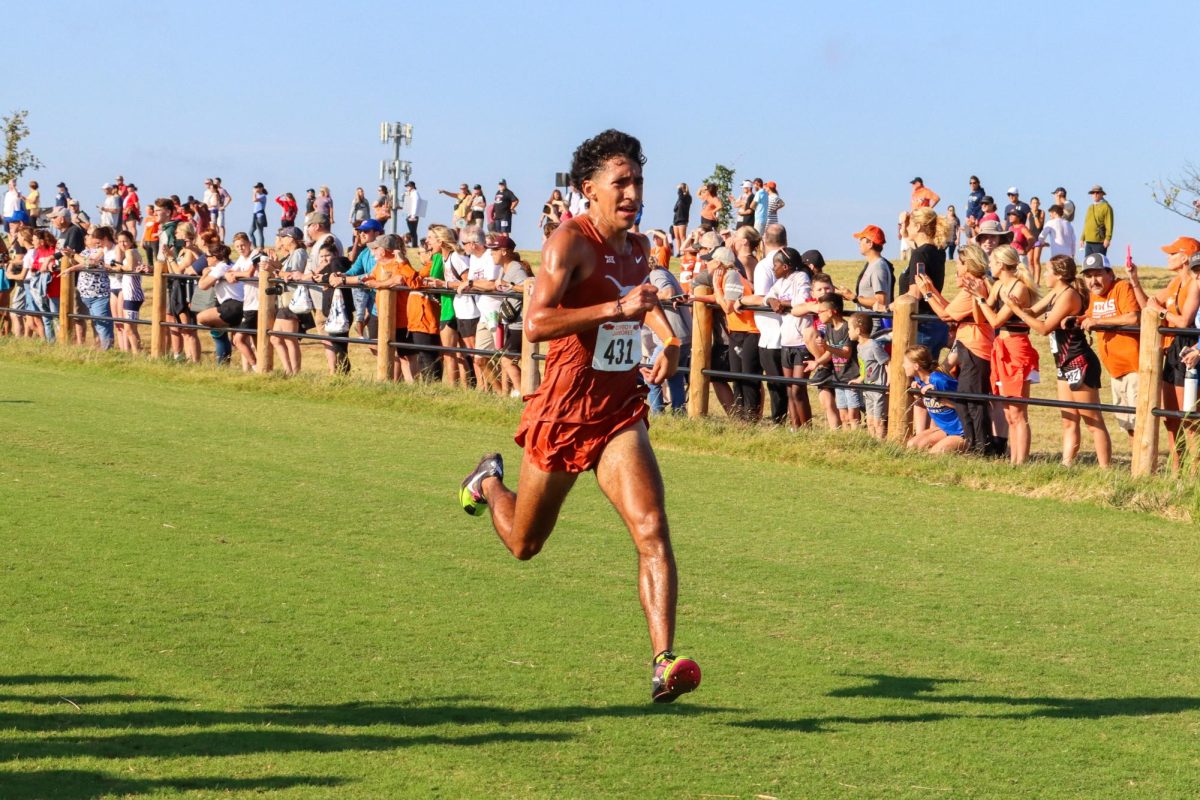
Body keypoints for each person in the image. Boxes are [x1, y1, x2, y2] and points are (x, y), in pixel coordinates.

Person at [457, 129, 700, 704]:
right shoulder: (570, 243)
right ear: (588, 189)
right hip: (564, 411)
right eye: (621, 182)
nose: (632, 192)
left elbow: (645, 302)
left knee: (652, 530)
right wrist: (616, 308)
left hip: (618, 411)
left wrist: (669, 342)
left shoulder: (640, 248)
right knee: (525, 544)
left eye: (638, 181)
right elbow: (536, 324)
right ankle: (488, 482)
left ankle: (664, 662)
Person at [1006, 255, 1111, 467]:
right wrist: (1018, 306)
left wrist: (1017, 311)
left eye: (1047, 271)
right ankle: (1066, 465)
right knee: (1068, 420)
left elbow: (1044, 328)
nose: (1044, 275)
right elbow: (1032, 312)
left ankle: (1106, 469)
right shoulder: (1056, 292)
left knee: (1092, 420)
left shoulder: (1069, 295)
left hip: (1079, 360)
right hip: (1063, 363)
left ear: (1060, 275)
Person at [915, 244, 995, 454]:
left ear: (968, 265)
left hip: (976, 348)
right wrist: (931, 290)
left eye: (959, 263)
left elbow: (945, 316)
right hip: (970, 347)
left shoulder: (974, 287)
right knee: (966, 399)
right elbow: (951, 310)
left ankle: (979, 448)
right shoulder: (973, 286)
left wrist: (927, 294)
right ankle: (974, 444)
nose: (956, 268)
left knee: (972, 401)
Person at [967, 244, 1039, 465]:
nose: (989, 265)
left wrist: (980, 299)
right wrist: (975, 295)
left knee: (1018, 413)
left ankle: (1021, 462)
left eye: (992, 261)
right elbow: (982, 318)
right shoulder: (998, 285)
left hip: (1016, 348)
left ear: (1000, 263)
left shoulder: (1018, 289)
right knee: (1008, 412)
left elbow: (996, 320)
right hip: (1001, 347)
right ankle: (1013, 461)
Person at [1141, 237, 1200, 471]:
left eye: (1172, 253)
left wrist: (1162, 312)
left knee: (1189, 417)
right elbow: (1149, 305)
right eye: (1197, 271)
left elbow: (1185, 322)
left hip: (1189, 346)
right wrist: (1135, 280)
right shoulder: (1176, 282)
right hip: (1178, 348)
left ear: (1184, 256)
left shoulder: (1193, 286)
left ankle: (1193, 474)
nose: (1167, 256)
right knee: (1171, 416)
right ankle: (1177, 471)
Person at [1079, 251, 1143, 442]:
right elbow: (1090, 317)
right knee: (1128, 425)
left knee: (1140, 423)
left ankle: (1146, 469)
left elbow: (1134, 317)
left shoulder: (1121, 287)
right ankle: (1137, 469)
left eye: (1098, 274)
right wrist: (1076, 319)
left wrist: (1098, 321)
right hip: (1115, 371)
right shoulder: (1094, 296)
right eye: (1088, 276)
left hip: (1135, 369)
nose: (1093, 281)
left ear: (1110, 273)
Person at [766, 247, 815, 429]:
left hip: (801, 341)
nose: (773, 269)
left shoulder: (801, 278)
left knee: (798, 390)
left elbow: (803, 300)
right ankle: (795, 428)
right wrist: (772, 301)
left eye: (776, 265)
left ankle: (807, 430)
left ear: (786, 266)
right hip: (786, 341)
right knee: (789, 389)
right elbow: (770, 295)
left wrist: (782, 303)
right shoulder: (781, 281)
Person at [644, 240, 691, 414]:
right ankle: (679, 413)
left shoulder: (655, 274)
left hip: (671, 335)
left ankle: (657, 413)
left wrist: (648, 297)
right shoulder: (660, 272)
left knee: (652, 374)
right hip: (681, 334)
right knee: (675, 376)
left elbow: (669, 292)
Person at [423, 224, 468, 386]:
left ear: (441, 242)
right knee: (459, 353)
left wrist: (443, 284)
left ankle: (454, 388)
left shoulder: (455, 257)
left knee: (451, 352)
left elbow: (468, 281)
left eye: (431, 239)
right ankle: (465, 387)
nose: (427, 242)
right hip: (452, 306)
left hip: (454, 308)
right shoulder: (443, 258)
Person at [904, 345, 967, 454]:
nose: (903, 366)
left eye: (905, 363)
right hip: (945, 429)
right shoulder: (920, 379)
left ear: (916, 366)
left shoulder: (939, 380)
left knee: (934, 454)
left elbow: (967, 405)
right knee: (912, 446)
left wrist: (941, 398)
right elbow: (931, 405)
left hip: (961, 431)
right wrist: (919, 395)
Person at [269, 227, 314, 376]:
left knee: (289, 338)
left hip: (292, 300)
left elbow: (292, 275)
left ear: (291, 239)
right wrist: (276, 266)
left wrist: (275, 271)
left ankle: (294, 373)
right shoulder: (293, 254)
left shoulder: (299, 253)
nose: (281, 240)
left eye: (283, 237)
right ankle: (289, 371)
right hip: (286, 300)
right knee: (277, 338)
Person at [809, 293, 859, 428]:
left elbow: (846, 353)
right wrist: (817, 362)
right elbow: (829, 353)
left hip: (850, 377)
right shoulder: (829, 328)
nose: (818, 315)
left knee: (853, 415)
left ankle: (858, 439)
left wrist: (827, 347)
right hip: (838, 377)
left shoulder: (846, 328)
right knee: (843, 415)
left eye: (821, 311)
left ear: (832, 312)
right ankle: (847, 441)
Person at [848, 312, 888, 438]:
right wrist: (860, 379)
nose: (848, 331)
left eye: (849, 329)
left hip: (878, 389)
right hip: (868, 388)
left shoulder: (873, 345)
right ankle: (872, 444)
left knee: (878, 421)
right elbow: (864, 367)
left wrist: (889, 382)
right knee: (870, 420)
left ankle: (881, 444)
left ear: (858, 330)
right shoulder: (860, 346)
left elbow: (887, 362)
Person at [842, 225, 893, 320]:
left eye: (861, 239)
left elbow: (880, 302)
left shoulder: (878, 266)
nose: (859, 242)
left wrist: (854, 298)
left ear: (870, 243)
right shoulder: (874, 265)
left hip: (873, 323)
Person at [114, 229, 148, 353]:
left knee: (129, 328)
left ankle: (136, 353)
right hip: (130, 293)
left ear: (131, 241)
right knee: (131, 327)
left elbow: (130, 268)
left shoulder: (129, 252)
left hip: (132, 294)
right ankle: (137, 352)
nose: (123, 244)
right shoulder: (133, 251)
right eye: (120, 241)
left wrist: (119, 267)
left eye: (125, 241)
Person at [1081, 185, 1113, 256]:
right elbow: (1086, 223)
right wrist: (1082, 238)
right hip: (1089, 240)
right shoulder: (1090, 207)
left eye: (1097, 193)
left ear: (1102, 194)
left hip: (1099, 241)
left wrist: (1108, 238)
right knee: (1088, 263)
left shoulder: (1106, 207)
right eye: (1093, 193)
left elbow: (1109, 224)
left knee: (1099, 263)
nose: (1095, 194)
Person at [1026, 196, 1045, 282]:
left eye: (1037, 203)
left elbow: (1038, 226)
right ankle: (1031, 281)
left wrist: (1035, 215)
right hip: (1030, 239)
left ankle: (1037, 281)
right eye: (1033, 203)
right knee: (1030, 261)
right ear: (1030, 204)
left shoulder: (1041, 213)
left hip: (1038, 238)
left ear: (1039, 204)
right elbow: (1028, 227)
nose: (1035, 205)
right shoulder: (1028, 214)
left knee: (1036, 260)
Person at [672, 183, 691, 254]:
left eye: (679, 189)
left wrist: (680, 189)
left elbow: (682, 199)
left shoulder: (688, 197)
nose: (678, 191)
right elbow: (675, 208)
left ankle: (685, 252)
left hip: (683, 219)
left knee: (682, 237)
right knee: (677, 237)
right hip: (676, 219)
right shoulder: (680, 198)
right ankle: (679, 253)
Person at [249, 183, 268, 248]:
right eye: (256, 187)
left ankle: (261, 247)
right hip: (255, 215)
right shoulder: (258, 195)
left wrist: (254, 193)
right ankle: (254, 247)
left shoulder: (263, 196)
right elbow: (253, 200)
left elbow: (254, 200)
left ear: (261, 188)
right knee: (250, 232)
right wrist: (255, 193)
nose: (256, 189)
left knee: (260, 232)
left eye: (258, 187)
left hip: (260, 216)